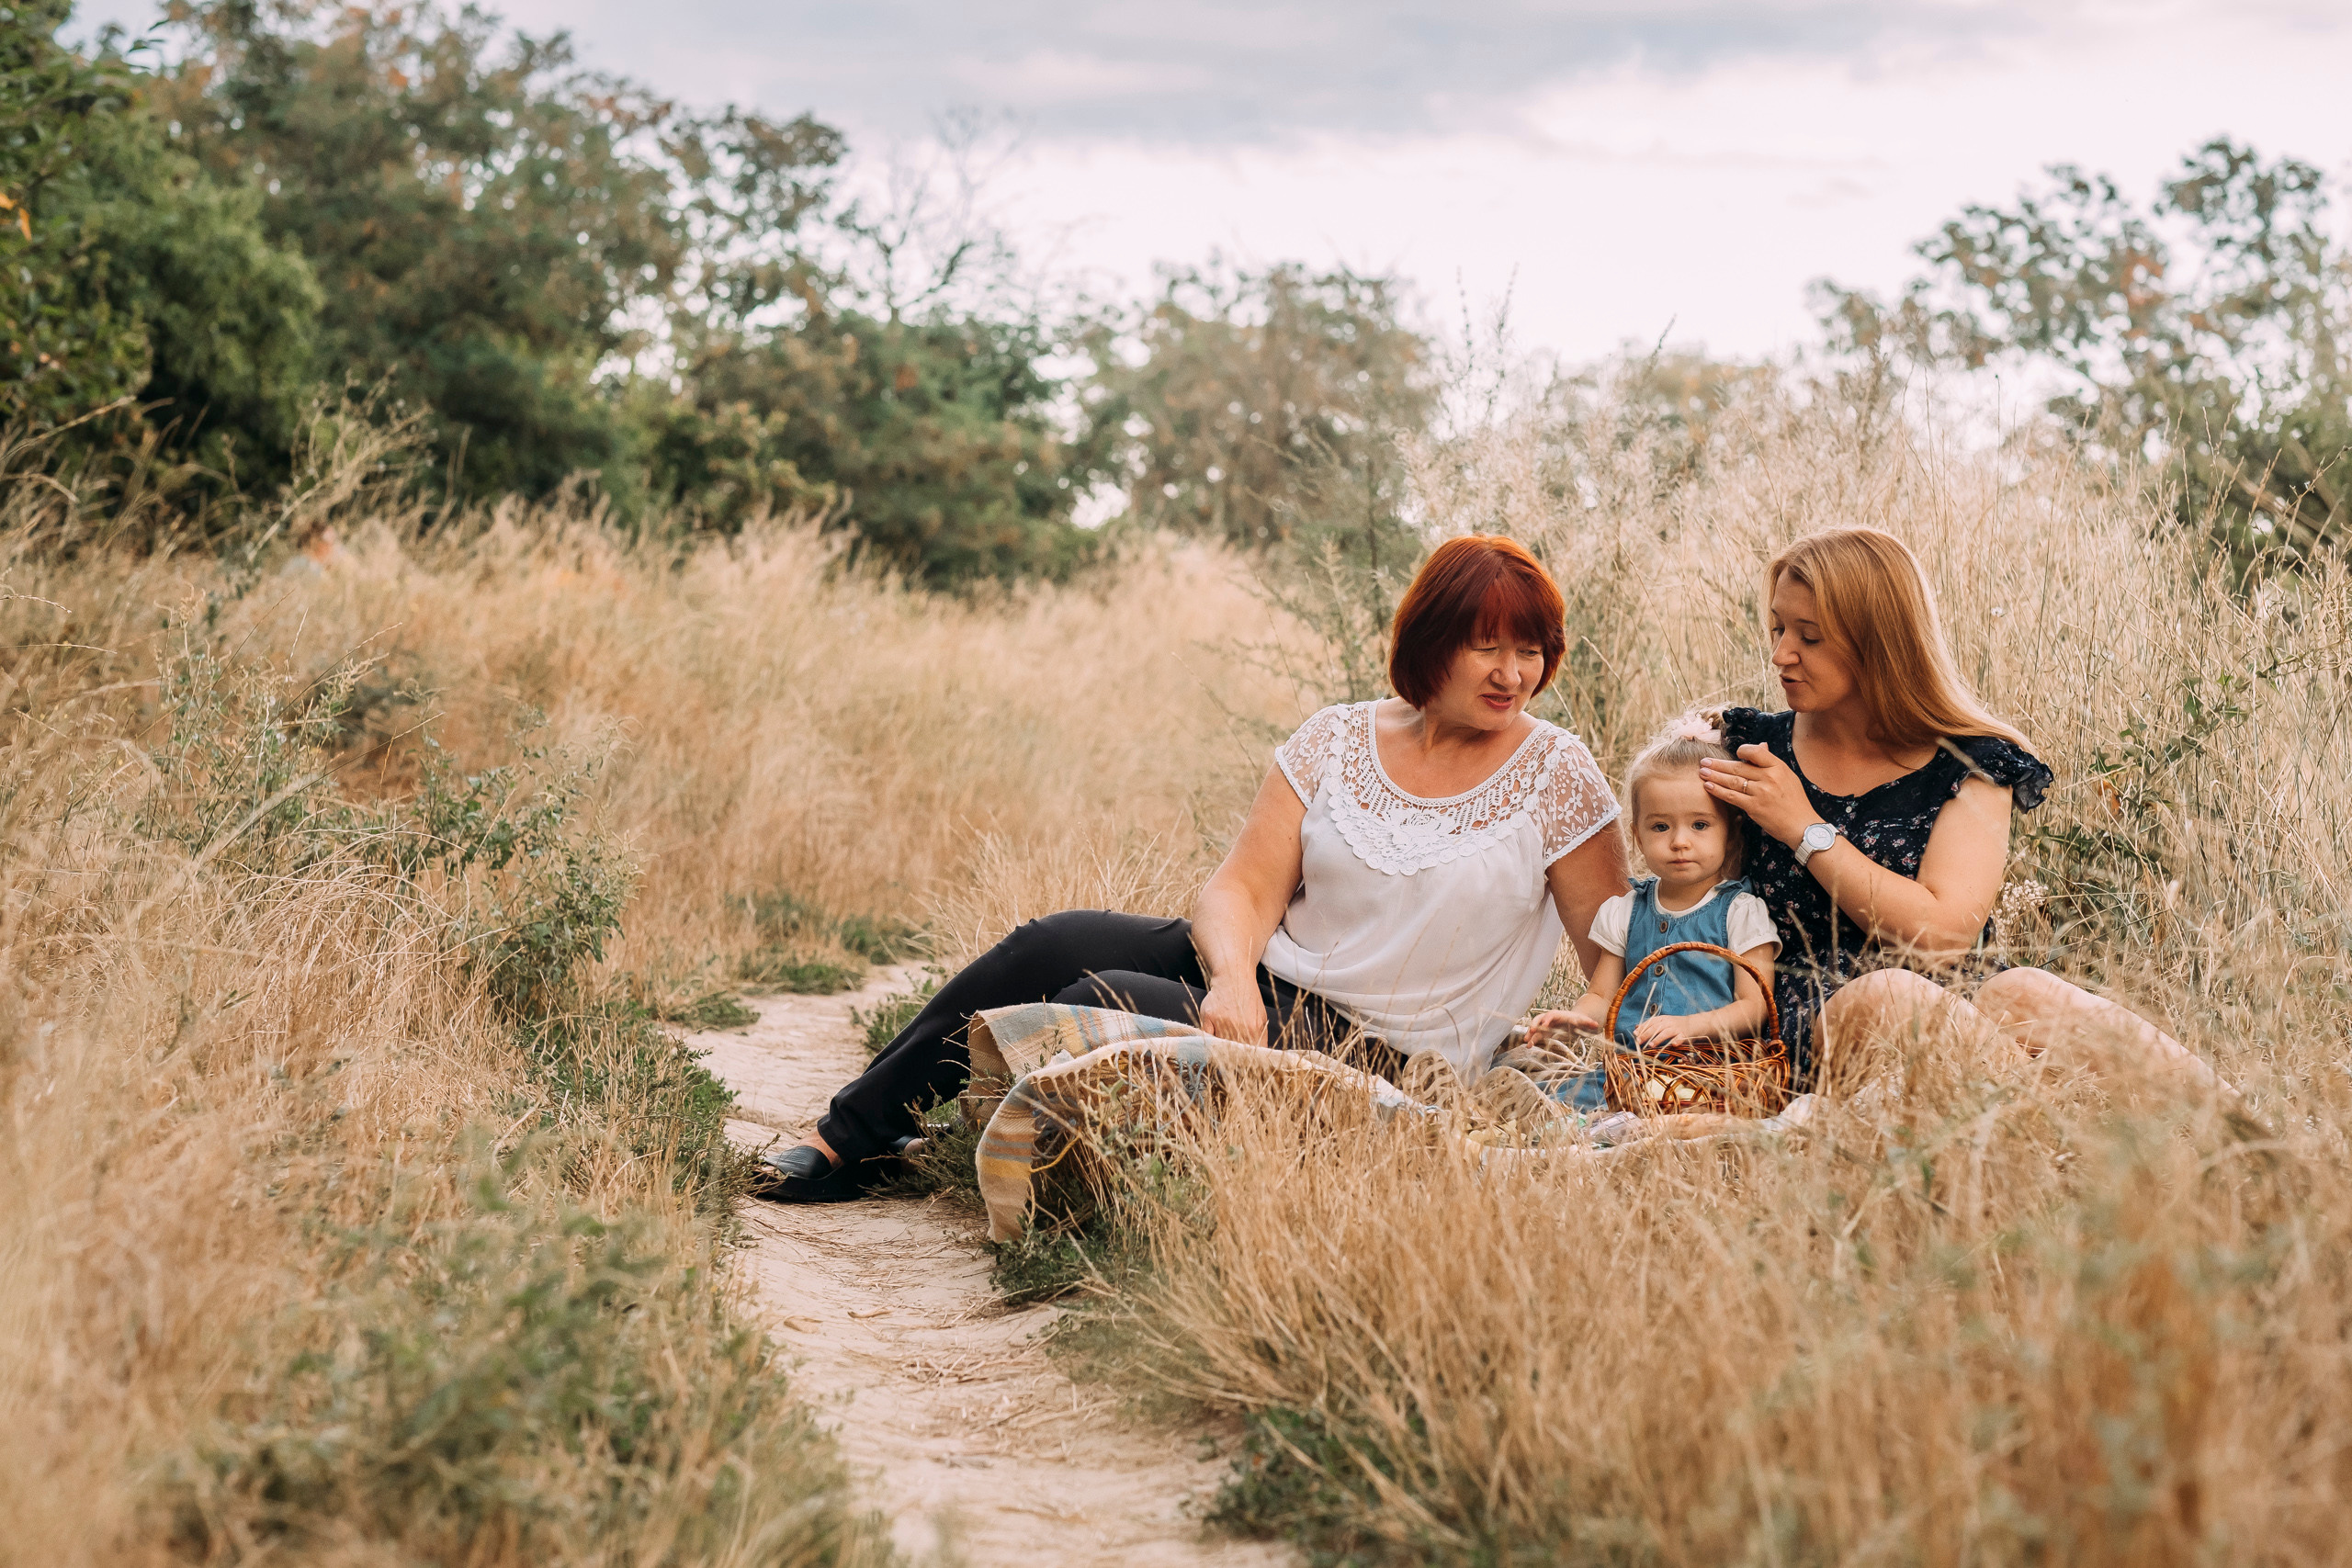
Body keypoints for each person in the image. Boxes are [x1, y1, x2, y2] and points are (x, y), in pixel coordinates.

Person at [756, 534, 1631, 1202]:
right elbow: (1244, 888)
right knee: (1050, 943)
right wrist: (1235, 977)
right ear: (1432, 640)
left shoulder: (1556, 771)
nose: (1515, 672)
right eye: (1489, 645)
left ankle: (983, 1145)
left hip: (1381, 1047)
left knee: (1096, 1001)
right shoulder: (1338, 736)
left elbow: (1616, 941)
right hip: (1272, 979)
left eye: (1532, 648)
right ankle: (852, 1140)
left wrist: (1593, 1013)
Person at [1689, 525, 2226, 1097]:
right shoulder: (1748, 748)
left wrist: (1804, 829)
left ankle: (2243, 1138)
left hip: (1958, 1019)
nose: (1780, 655)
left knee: (2022, 990)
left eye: (1811, 637)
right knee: (1889, 993)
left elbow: (1942, 939)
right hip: (1810, 1029)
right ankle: (2056, 1139)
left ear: (1880, 642)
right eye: (1778, 628)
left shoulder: (1970, 764)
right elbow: (1672, 882)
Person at [1538, 717, 1781, 1112]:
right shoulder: (1626, 910)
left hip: (1708, 1076)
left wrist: (1687, 1028)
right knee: (1551, 1099)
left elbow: (1754, 1008)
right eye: (1660, 826)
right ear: (1637, 835)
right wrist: (1577, 1018)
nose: (1679, 842)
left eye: (1700, 825)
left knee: (1686, 1112)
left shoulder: (1739, 911)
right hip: (1627, 1074)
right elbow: (1602, 994)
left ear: (1732, 833)